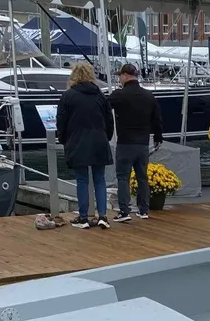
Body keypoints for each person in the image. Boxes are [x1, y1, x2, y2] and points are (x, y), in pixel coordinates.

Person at [56, 62, 114, 229]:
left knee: (82, 179)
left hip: (78, 141)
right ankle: (103, 215)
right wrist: (106, 137)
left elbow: (61, 121)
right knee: (100, 179)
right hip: (99, 140)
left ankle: (83, 217)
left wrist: (64, 139)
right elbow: (109, 120)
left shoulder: (68, 96)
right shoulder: (100, 95)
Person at [108, 63, 163, 223]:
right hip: (143, 144)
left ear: (125, 76)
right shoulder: (148, 96)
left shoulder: (119, 95)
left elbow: (103, 107)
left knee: (123, 177)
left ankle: (124, 211)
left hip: (125, 143)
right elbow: (157, 120)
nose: (120, 78)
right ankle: (143, 210)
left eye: (120, 76)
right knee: (142, 178)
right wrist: (158, 137)